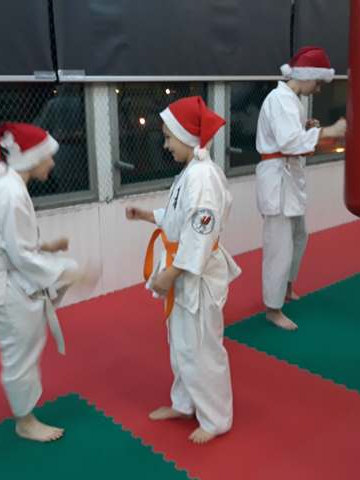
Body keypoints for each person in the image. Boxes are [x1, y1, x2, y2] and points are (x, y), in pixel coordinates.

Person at [126, 96, 241, 444]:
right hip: (183, 267)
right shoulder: (191, 172)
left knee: (201, 347)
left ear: (187, 136)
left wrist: (171, 273)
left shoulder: (203, 177)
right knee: (181, 343)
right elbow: (180, 218)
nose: (165, 145)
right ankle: (185, 403)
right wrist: (148, 216)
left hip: (196, 274)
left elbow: (200, 233)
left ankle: (216, 418)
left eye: (168, 137)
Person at [0, 122, 80, 442]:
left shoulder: (6, 186)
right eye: (48, 156)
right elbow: (20, 254)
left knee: (26, 340)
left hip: (0, 275)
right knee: (21, 349)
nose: (52, 163)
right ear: (32, 158)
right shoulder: (11, 193)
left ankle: (24, 414)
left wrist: (47, 247)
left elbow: (9, 241)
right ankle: (24, 422)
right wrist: (69, 275)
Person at [255, 46, 347, 331]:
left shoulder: (292, 100)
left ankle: (286, 287)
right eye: (317, 82)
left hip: (289, 178)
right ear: (306, 76)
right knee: (279, 246)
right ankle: (272, 309)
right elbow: (288, 142)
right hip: (277, 180)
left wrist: (308, 127)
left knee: (298, 236)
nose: (318, 89)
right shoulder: (279, 99)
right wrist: (328, 132)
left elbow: (291, 135)